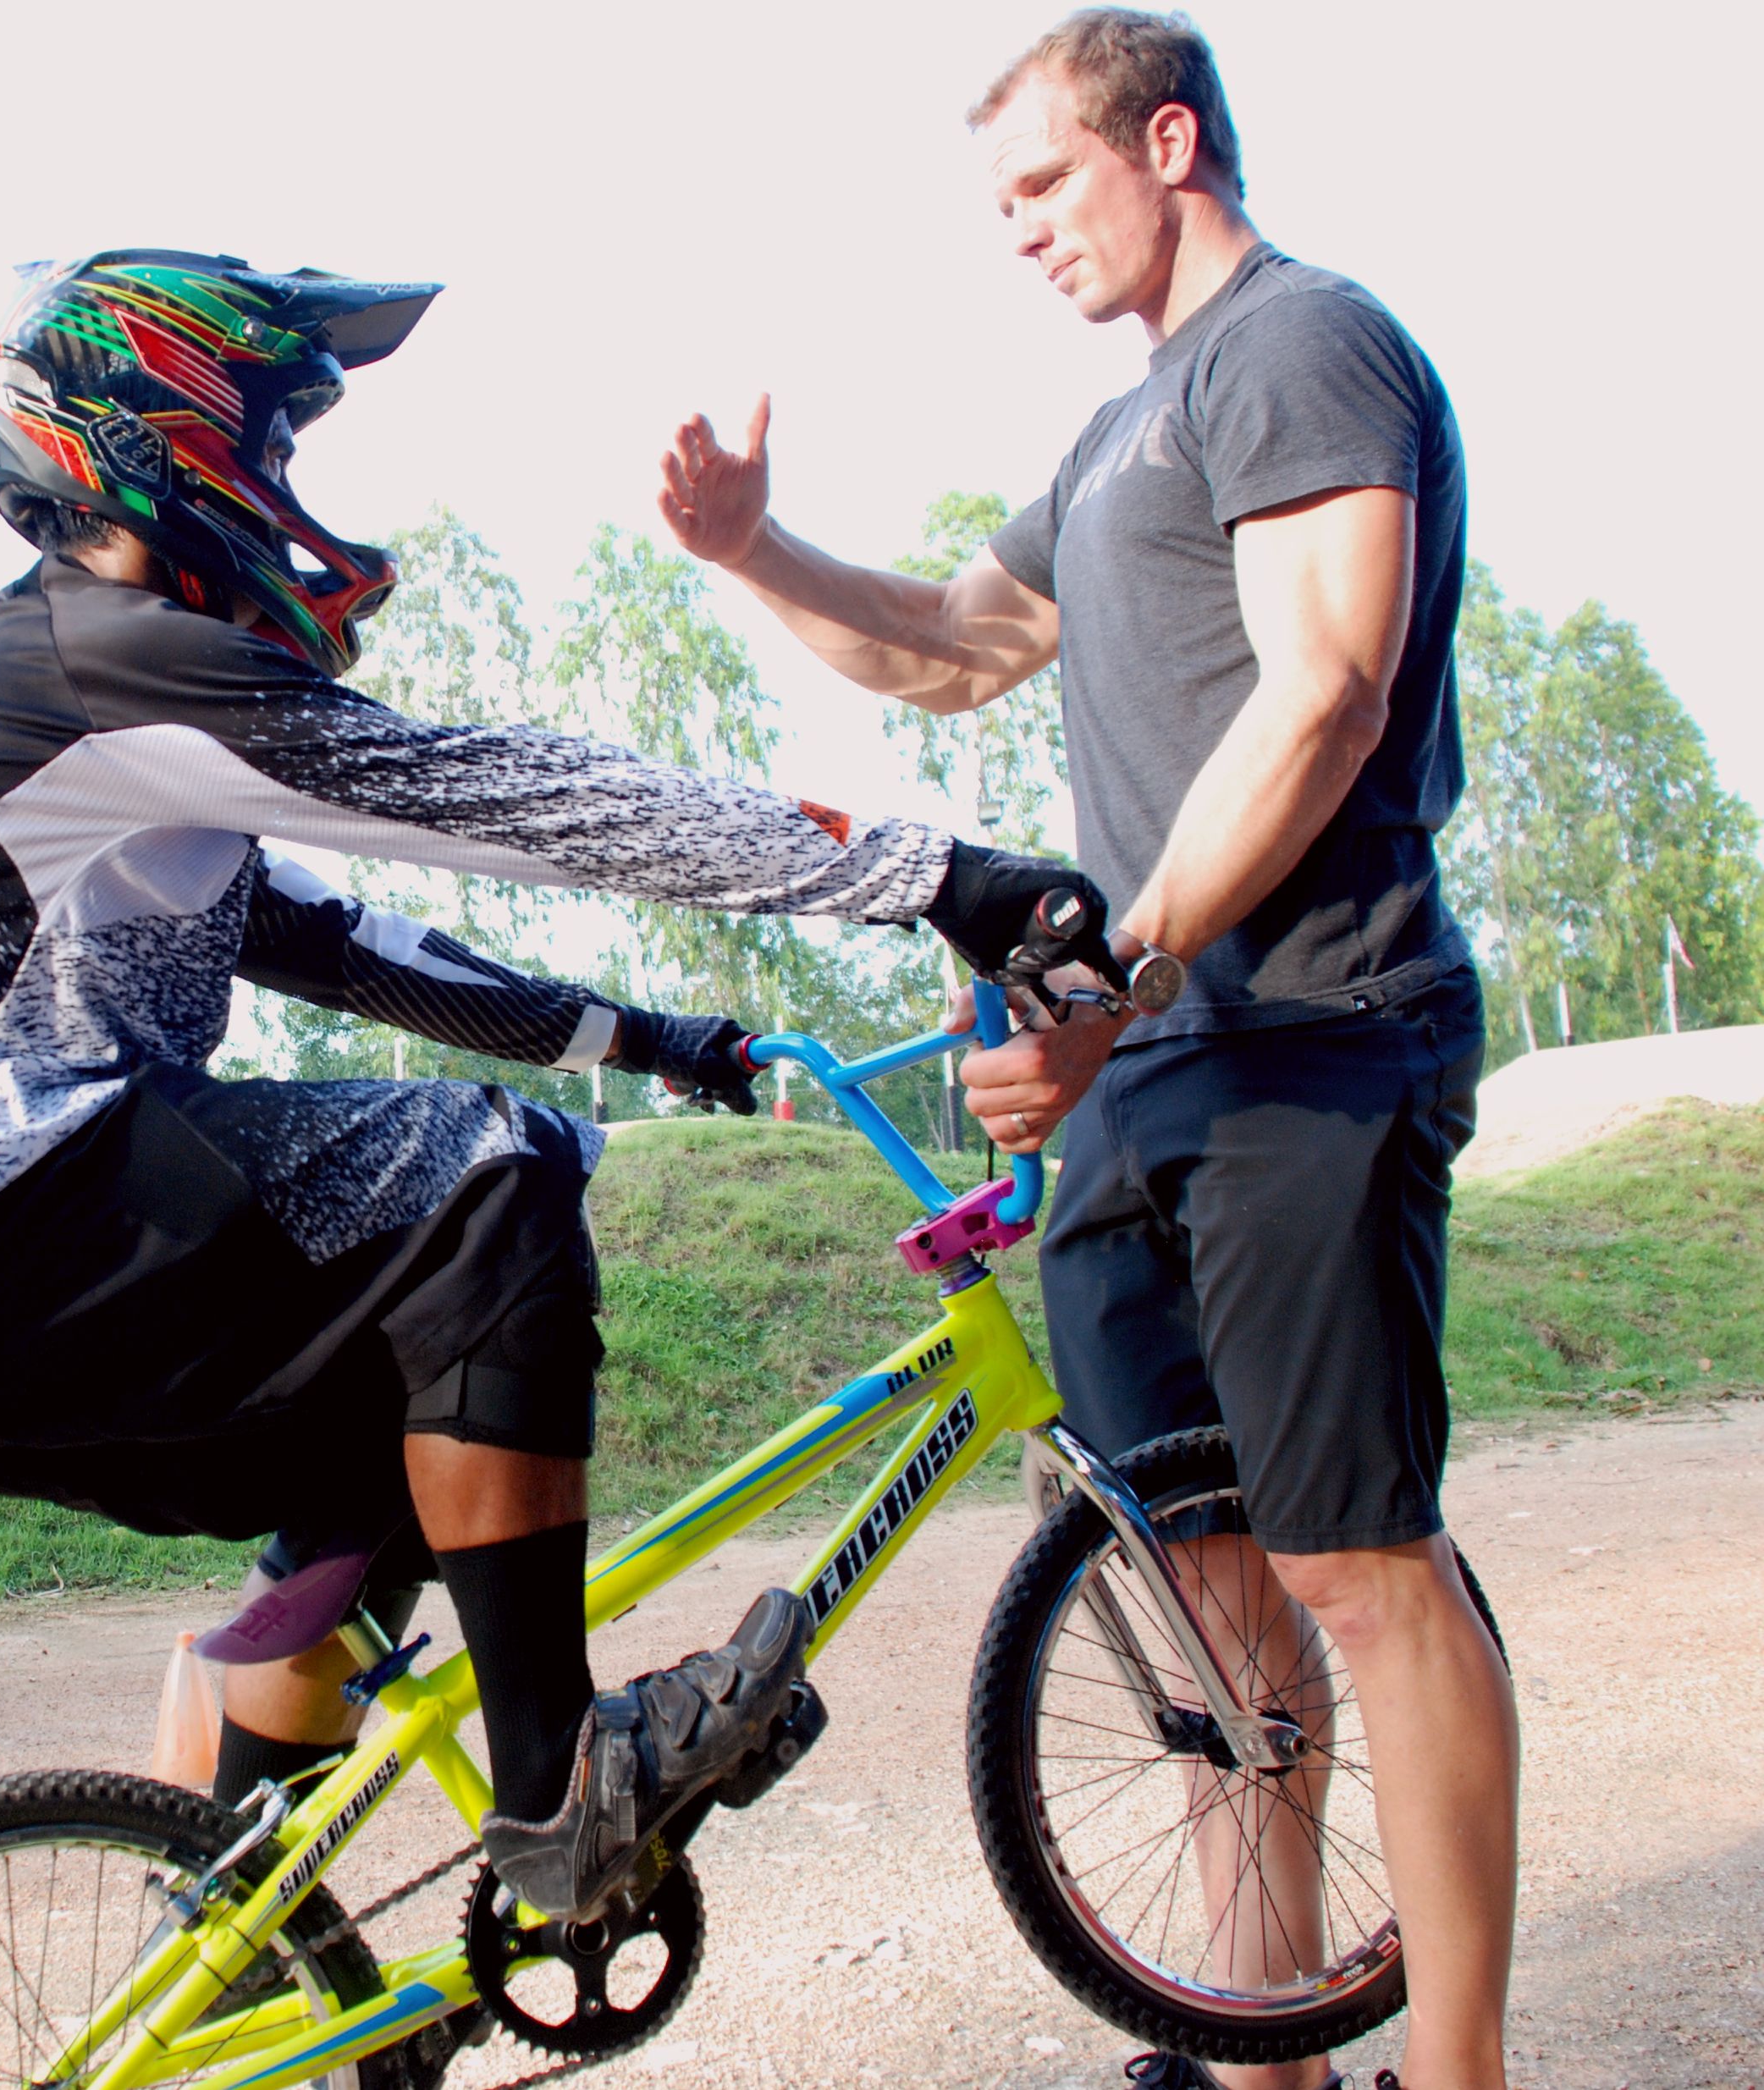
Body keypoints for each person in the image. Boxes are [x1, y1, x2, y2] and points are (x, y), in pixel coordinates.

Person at [0, 248, 1079, 1923]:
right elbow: (497, 796)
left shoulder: (101, 705)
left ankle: (263, 1941)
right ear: (157, 436)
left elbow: (345, 942)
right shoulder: (105, 658)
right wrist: (936, 875)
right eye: (265, 444)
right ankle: (564, 1789)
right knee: (488, 1180)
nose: (280, 492)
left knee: (400, 1413)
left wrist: (648, 1038)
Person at [651, 14, 1508, 2088]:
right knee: (1208, 1589)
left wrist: (1107, 962)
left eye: (1040, 184)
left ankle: (1461, 2068)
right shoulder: (1129, 426)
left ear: (1167, 137)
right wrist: (747, 551)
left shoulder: (1302, 346)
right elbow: (955, 645)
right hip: (1143, 1064)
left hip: (1310, 1032)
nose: (1017, 232)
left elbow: (1322, 687)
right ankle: (1267, 2055)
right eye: (999, 205)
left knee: (1357, 1565)